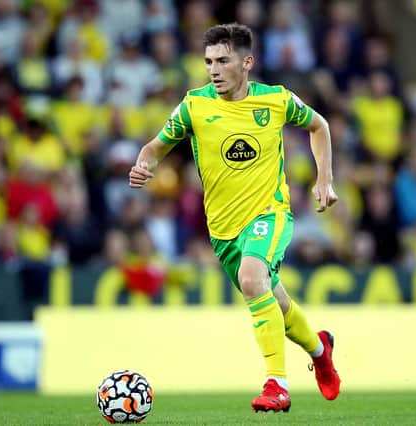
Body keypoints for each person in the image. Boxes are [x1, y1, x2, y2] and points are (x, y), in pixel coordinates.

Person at [129, 23, 340, 412]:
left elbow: (319, 126)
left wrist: (324, 180)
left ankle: (277, 385)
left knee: (251, 277)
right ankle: (319, 348)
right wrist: (143, 164)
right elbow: (155, 147)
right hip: (223, 232)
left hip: (269, 213)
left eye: (223, 60)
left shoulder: (275, 100)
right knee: (273, 301)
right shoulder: (194, 105)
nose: (213, 69)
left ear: (246, 62)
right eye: (208, 61)